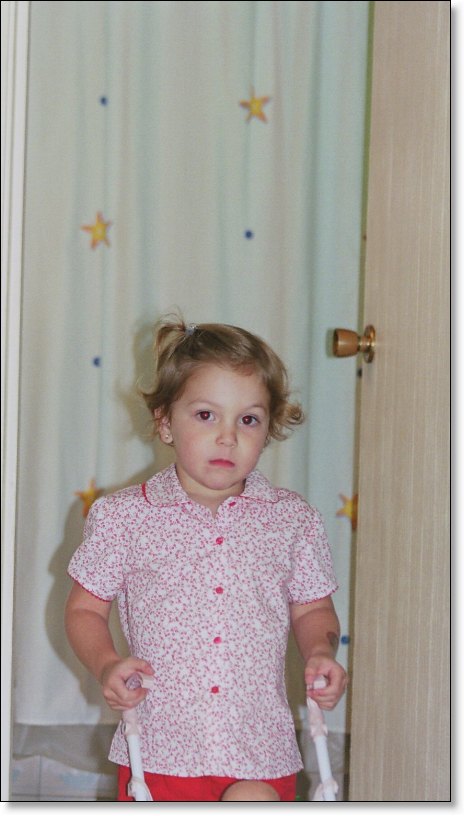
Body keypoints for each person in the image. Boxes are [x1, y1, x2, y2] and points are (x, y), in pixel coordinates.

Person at [65, 315, 347, 802]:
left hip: (260, 746)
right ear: (165, 423)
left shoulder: (292, 519)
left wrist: (321, 652)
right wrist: (107, 664)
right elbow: (85, 610)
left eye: (248, 419)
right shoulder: (123, 517)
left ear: (269, 428)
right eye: (205, 415)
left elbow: (313, 610)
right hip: (159, 749)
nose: (227, 436)